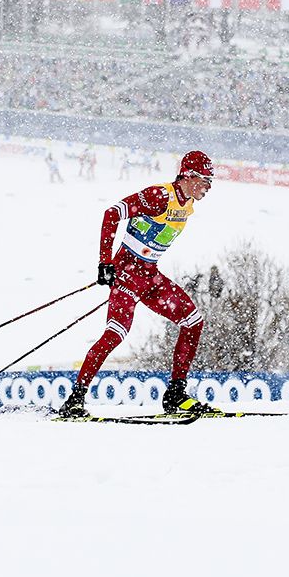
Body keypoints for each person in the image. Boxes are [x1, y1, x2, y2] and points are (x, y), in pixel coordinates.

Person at [59, 151, 218, 419]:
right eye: (205, 181)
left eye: (211, 183)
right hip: (126, 275)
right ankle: (75, 399)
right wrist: (105, 263)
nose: (208, 188)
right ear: (188, 176)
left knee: (193, 321)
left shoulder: (187, 204)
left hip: (150, 276)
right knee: (115, 334)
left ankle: (176, 394)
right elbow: (112, 213)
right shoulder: (159, 196)